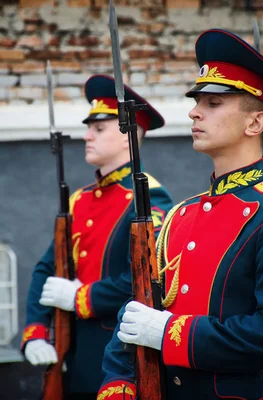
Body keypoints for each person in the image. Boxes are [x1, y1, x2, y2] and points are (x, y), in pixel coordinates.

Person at [96, 29, 263, 400]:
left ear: (255, 124)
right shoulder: (181, 214)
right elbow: (138, 311)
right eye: (197, 101)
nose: (194, 111)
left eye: (214, 103)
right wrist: (118, 382)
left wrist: (173, 334)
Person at [20, 74, 174, 399]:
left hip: (116, 354)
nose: (86, 135)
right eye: (89, 127)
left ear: (126, 135)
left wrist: (80, 298)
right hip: (72, 349)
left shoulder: (151, 201)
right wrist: (36, 332)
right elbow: (46, 269)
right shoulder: (79, 200)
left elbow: (144, 281)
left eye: (99, 128)